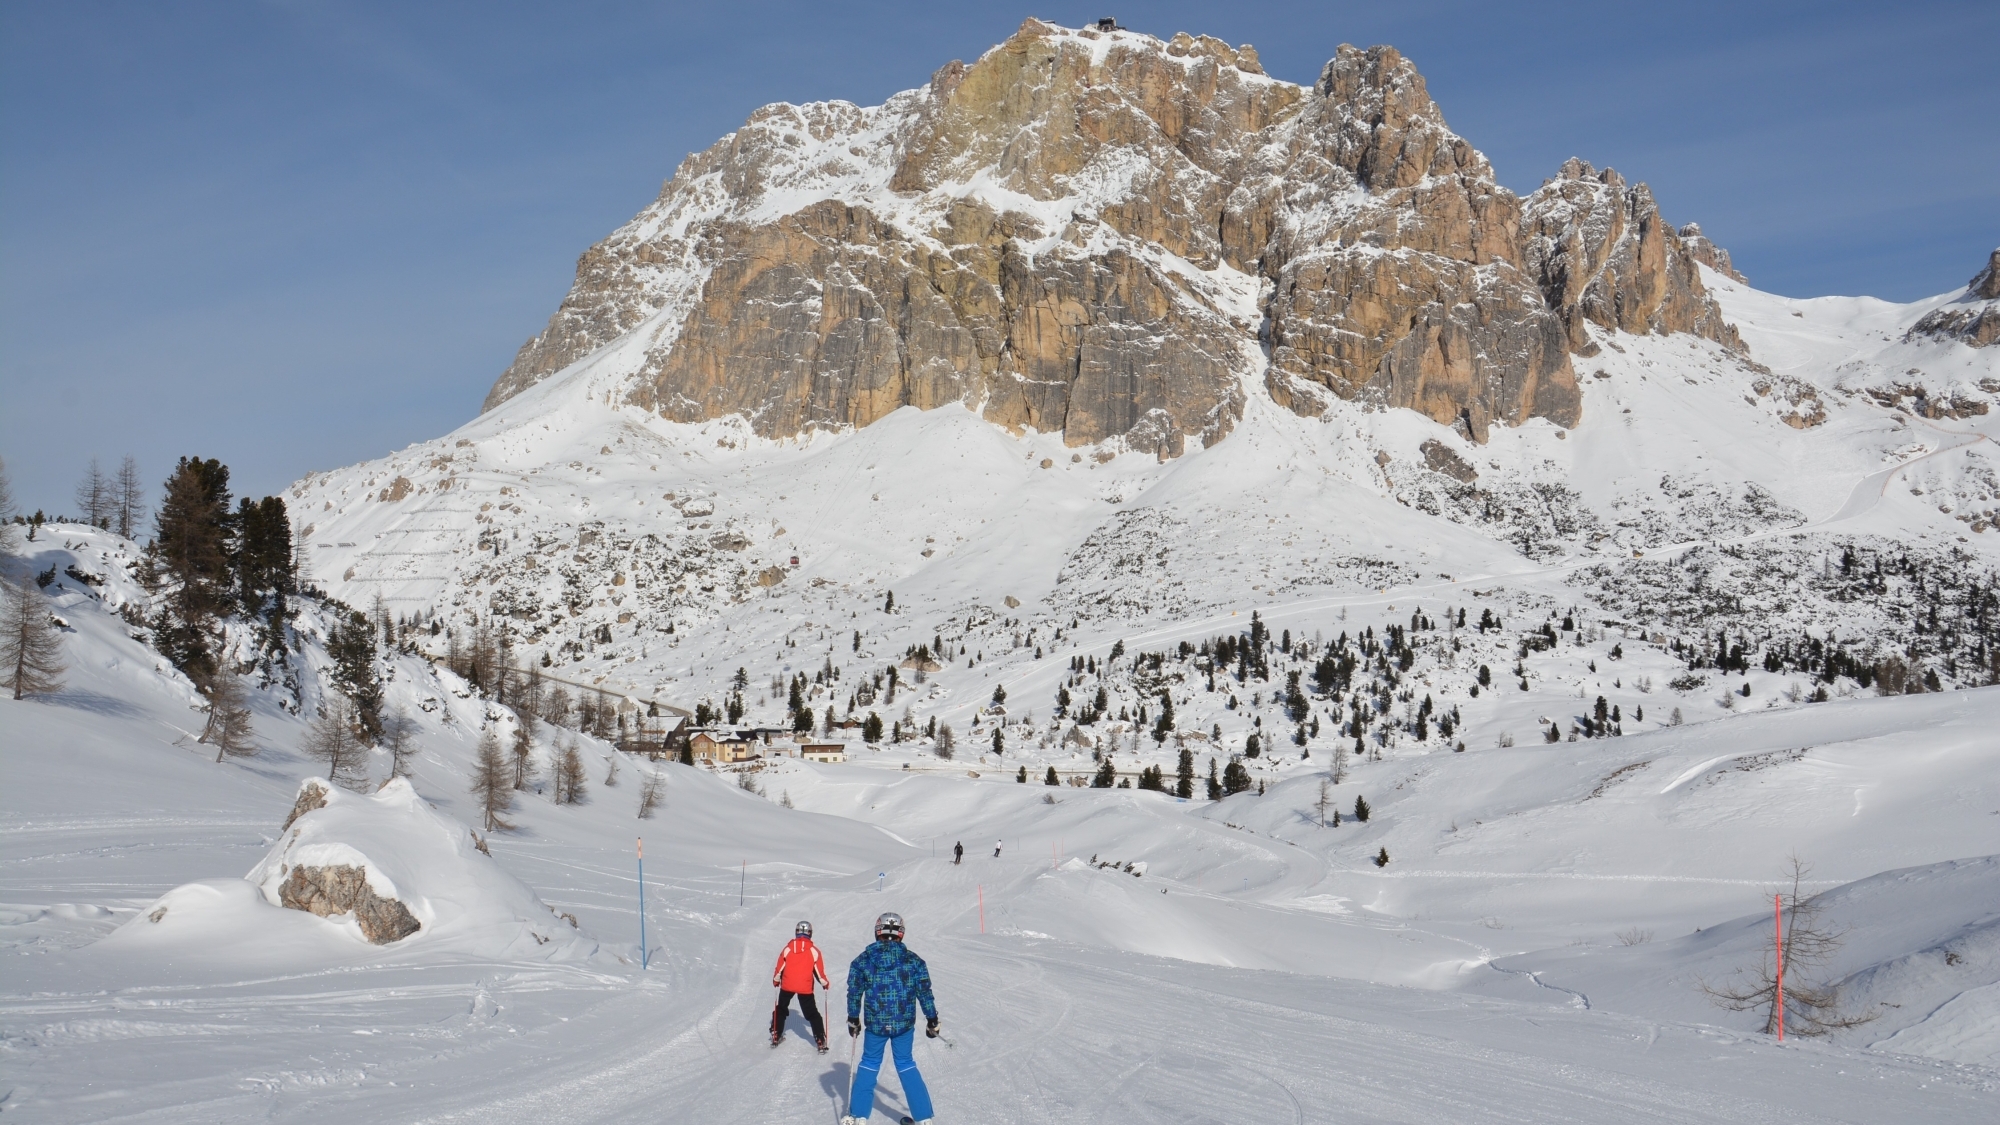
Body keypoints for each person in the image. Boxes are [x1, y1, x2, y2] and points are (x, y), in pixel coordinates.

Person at [843, 912, 939, 1125]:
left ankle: (859, 1116)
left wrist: (853, 1017)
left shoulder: (864, 960)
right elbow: (924, 991)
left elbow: (854, 991)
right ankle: (924, 1118)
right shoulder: (913, 961)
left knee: (869, 1062)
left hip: (876, 1025)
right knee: (905, 1063)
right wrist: (932, 1018)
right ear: (900, 934)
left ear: (878, 931)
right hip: (903, 1025)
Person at [771, 920, 830, 1051]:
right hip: (805, 987)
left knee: (781, 1008)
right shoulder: (814, 951)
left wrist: (776, 980)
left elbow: (780, 966)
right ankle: (820, 1038)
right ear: (810, 934)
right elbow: (819, 972)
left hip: (787, 985)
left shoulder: (788, 948)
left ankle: (776, 1033)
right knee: (811, 1013)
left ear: (796, 932)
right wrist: (825, 983)